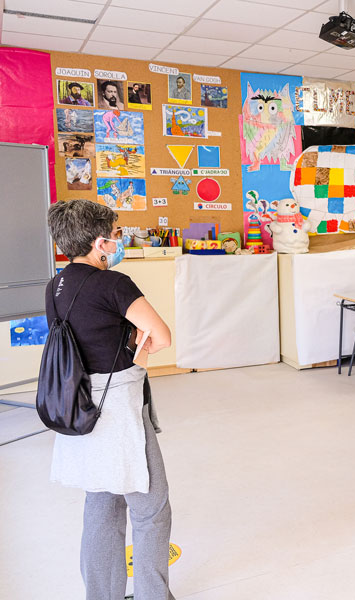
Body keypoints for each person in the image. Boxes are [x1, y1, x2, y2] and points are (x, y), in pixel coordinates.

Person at [46, 199, 176, 599]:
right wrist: (139, 339)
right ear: (100, 242)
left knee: (101, 505)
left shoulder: (56, 285)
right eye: (116, 233)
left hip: (80, 404)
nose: (119, 240)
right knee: (151, 509)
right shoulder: (113, 283)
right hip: (118, 406)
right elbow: (162, 336)